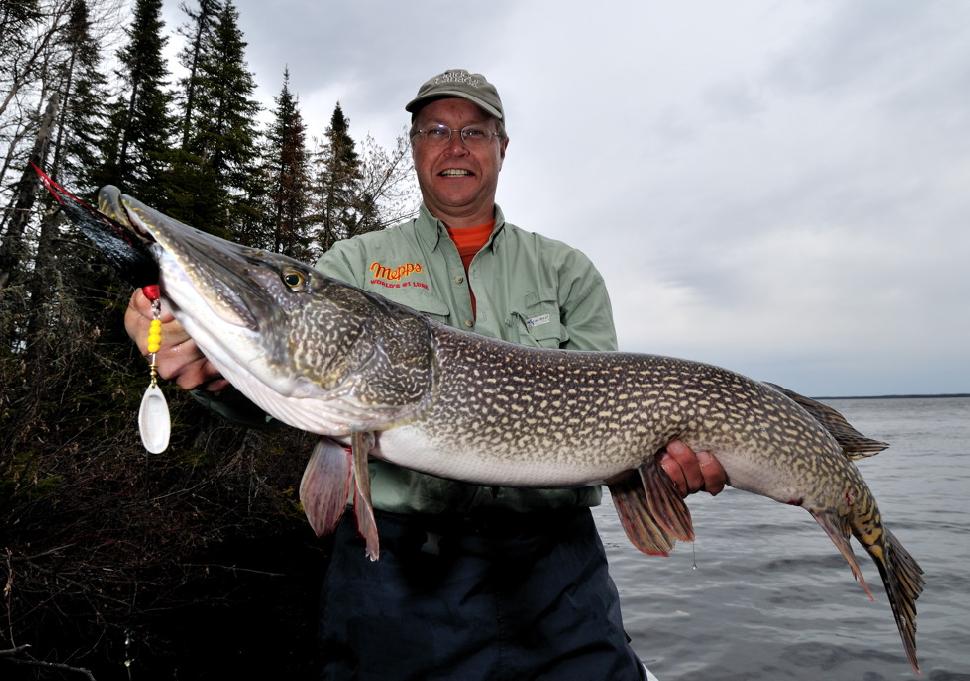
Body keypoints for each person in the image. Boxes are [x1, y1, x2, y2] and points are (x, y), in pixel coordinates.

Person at [125, 69, 727, 681]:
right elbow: (288, 383)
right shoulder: (355, 263)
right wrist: (207, 369)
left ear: (501, 147)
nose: (455, 145)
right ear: (414, 145)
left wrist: (662, 465)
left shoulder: (566, 272)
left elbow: (621, 421)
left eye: (475, 131)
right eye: (436, 129)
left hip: (555, 573)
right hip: (397, 570)